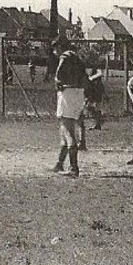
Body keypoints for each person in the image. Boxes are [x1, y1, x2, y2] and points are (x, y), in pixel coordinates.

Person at [51, 37, 87, 176]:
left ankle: (74, 167)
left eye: (55, 48)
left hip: (68, 93)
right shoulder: (77, 57)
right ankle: (60, 163)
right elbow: (85, 78)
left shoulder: (65, 56)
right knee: (66, 129)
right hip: (78, 94)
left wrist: (57, 81)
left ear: (60, 46)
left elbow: (59, 74)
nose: (55, 52)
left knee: (68, 130)